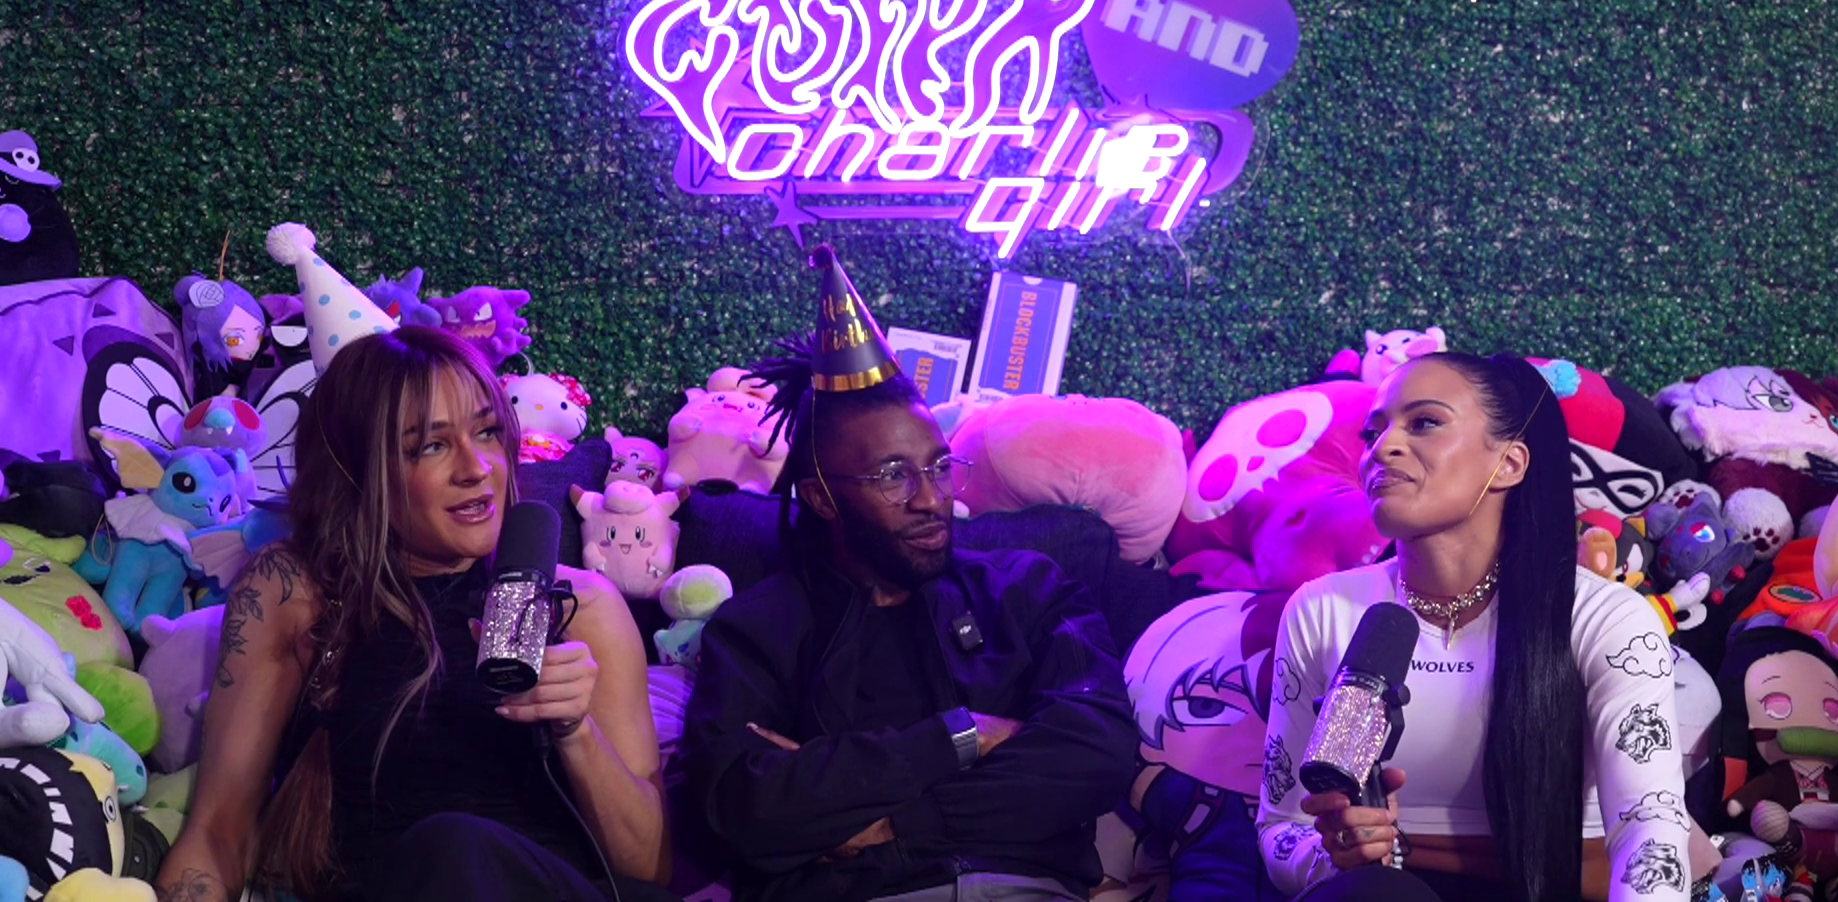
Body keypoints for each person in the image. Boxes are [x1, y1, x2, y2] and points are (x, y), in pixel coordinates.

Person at [154, 325, 676, 902]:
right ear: (357, 469)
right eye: (431, 445)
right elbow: (218, 833)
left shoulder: (583, 606)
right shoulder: (294, 591)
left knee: (460, 847)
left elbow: (647, 869)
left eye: (487, 431)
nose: (476, 467)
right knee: (452, 849)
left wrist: (577, 733)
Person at [679, 245, 1137, 902]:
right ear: (821, 498)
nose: (931, 498)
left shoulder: (1030, 590)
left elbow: (1095, 753)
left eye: (940, 467)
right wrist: (959, 738)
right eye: (893, 476)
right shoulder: (758, 630)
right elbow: (742, 806)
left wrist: (895, 824)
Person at [1256, 352, 1692, 902]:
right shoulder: (1322, 610)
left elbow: (1650, 830)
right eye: (1373, 432)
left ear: (1509, 463)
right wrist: (1334, 856)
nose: (1382, 448)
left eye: (1425, 422)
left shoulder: (1608, 619)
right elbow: (1280, 826)